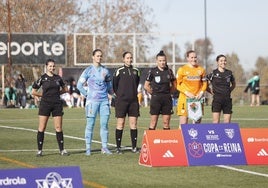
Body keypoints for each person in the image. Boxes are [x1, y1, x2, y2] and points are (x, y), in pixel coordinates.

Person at [77, 49, 113, 156]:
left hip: (104, 102)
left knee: (104, 124)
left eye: (101, 56)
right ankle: (88, 148)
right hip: (92, 102)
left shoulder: (105, 71)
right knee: (90, 124)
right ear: (93, 57)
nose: (99, 58)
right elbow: (79, 85)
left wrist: (115, 95)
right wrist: (87, 95)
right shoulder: (88, 70)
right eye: (97, 56)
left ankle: (104, 147)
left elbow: (110, 87)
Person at [31, 59, 69, 157]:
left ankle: (62, 150)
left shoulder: (58, 78)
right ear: (46, 66)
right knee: (42, 127)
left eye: (53, 66)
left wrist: (57, 93)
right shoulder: (42, 78)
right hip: (45, 105)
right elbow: (34, 91)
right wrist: (42, 96)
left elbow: (65, 89)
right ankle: (39, 150)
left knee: (58, 128)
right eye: (50, 66)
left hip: (57, 104)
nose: (52, 68)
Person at [113, 51, 140, 154]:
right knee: (121, 123)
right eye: (127, 58)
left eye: (131, 58)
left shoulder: (136, 71)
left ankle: (134, 147)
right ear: (123, 59)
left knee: (133, 124)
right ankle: (118, 148)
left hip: (133, 101)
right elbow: (115, 86)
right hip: (121, 101)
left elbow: (136, 84)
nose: (129, 60)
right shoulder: (118, 71)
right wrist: (121, 95)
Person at [144, 50, 177, 130]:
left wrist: (169, 93)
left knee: (166, 123)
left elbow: (174, 85)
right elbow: (146, 86)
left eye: (164, 60)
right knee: (153, 122)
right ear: (157, 61)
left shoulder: (169, 71)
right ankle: (151, 142)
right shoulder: (152, 71)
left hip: (167, 99)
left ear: (166, 61)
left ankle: (166, 141)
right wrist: (153, 93)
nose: (162, 62)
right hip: (156, 99)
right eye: (160, 61)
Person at [176, 50, 207, 127]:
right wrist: (187, 92)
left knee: (197, 124)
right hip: (184, 99)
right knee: (183, 124)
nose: (194, 59)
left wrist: (201, 93)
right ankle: (181, 139)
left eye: (195, 57)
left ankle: (196, 139)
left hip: (197, 99)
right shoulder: (182, 69)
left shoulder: (201, 70)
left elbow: (205, 83)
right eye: (191, 57)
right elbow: (177, 84)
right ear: (187, 58)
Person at [206, 54, 236, 123]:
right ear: (217, 62)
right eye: (221, 61)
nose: (223, 62)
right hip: (217, 100)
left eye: (225, 60)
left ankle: (224, 134)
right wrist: (211, 91)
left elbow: (234, 84)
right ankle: (216, 134)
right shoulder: (213, 73)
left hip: (227, 100)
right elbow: (205, 84)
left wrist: (228, 91)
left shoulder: (229, 73)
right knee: (216, 122)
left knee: (227, 122)